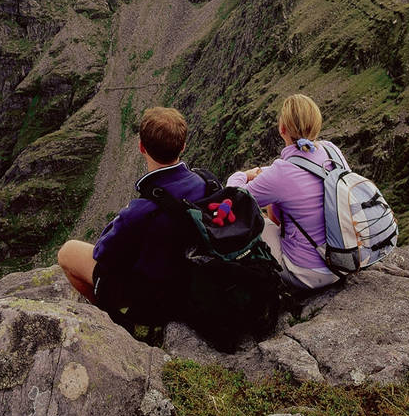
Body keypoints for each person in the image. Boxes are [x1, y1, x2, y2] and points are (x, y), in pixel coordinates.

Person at [57, 106, 207, 320]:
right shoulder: (206, 184)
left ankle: (112, 318)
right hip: (187, 281)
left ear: (141, 147)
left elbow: (103, 254)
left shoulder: (140, 210)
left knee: (68, 251)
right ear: (183, 146)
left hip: (150, 293)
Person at [226, 93, 348, 291]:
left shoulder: (282, 173)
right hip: (343, 261)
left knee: (253, 220)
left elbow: (233, 196)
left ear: (282, 129)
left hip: (311, 273)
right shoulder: (332, 150)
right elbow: (302, 174)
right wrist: (266, 174)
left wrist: (242, 174)